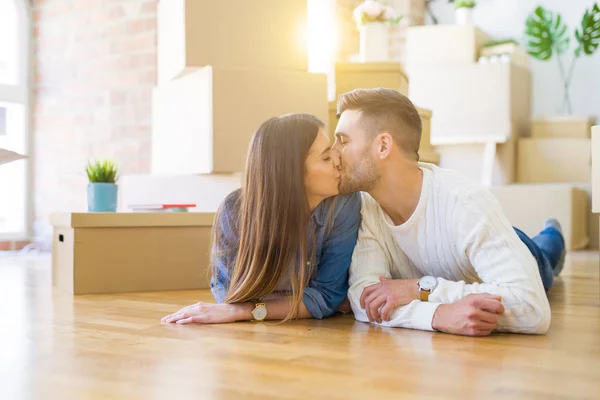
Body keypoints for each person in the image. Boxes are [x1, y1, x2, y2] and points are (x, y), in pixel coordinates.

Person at [332, 88, 565, 336]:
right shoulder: (367, 205)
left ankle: (553, 233)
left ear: (383, 146)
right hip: (471, 250)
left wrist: (419, 288)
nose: (333, 152)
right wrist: (438, 315)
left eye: (343, 141)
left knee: (546, 252)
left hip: (513, 253)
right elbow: (364, 298)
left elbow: (531, 307)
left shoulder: (465, 202)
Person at [162, 114, 361, 325]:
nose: (338, 162)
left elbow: (326, 298)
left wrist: (249, 310)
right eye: (326, 158)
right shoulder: (235, 211)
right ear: (291, 172)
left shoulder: (343, 204)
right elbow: (231, 295)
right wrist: (304, 302)